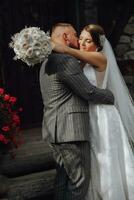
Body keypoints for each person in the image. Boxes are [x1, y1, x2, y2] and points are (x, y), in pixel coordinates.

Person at [53, 24, 134, 200]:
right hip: (86, 113)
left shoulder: (99, 57)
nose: (82, 43)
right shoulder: (82, 61)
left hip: (102, 115)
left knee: (105, 156)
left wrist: (61, 47)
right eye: (81, 38)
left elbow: (76, 54)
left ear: (98, 44)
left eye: (88, 40)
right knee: (92, 159)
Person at [39, 23, 114, 200]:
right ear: (66, 37)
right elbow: (88, 91)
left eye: (85, 39)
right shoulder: (66, 60)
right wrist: (110, 96)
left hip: (54, 129)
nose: (78, 40)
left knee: (62, 179)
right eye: (76, 36)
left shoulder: (45, 62)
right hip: (71, 131)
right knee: (79, 181)